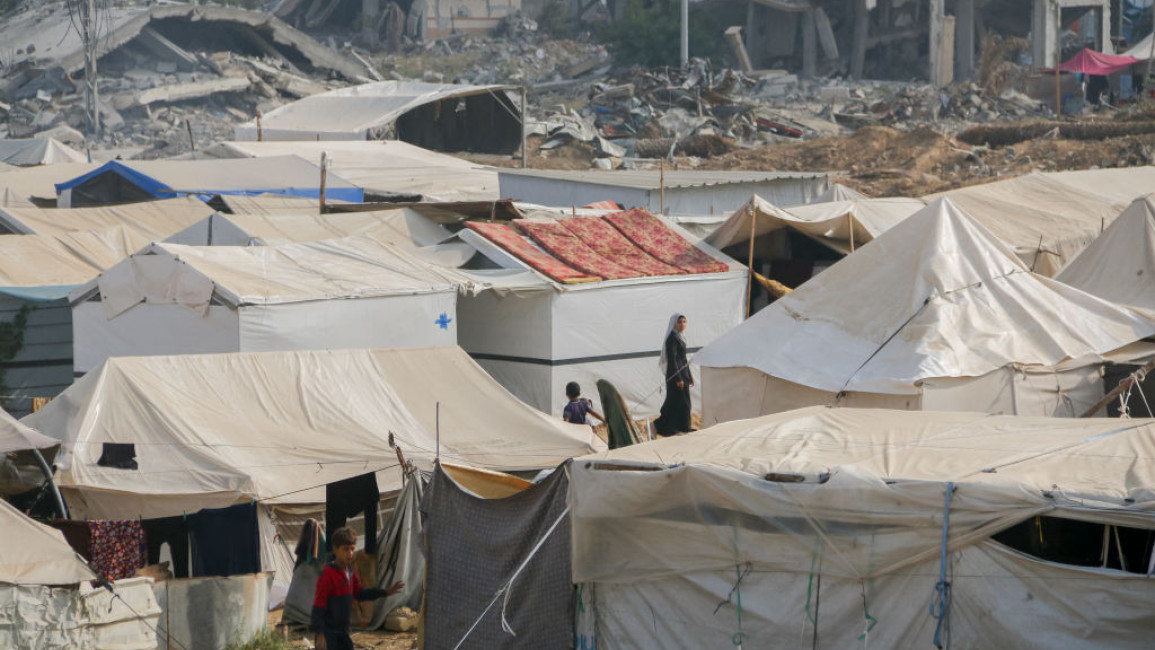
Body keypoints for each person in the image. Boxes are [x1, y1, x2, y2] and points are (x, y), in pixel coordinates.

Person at [312, 527, 404, 650]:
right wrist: (320, 634)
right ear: (335, 549)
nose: (350, 553)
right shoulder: (328, 574)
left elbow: (360, 592)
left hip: (343, 632)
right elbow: (319, 606)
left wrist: (385, 592)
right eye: (345, 549)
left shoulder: (349, 571)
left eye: (352, 549)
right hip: (329, 634)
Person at [654, 313, 693, 436]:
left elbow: (684, 359)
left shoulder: (681, 337)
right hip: (675, 375)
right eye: (680, 322)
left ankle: (684, 426)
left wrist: (690, 376)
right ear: (674, 323)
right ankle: (660, 426)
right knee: (675, 402)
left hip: (683, 374)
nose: (682, 324)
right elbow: (673, 359)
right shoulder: (672, 338)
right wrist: (678, 378)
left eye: (684, 322)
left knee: (683, 402)